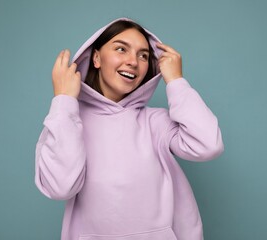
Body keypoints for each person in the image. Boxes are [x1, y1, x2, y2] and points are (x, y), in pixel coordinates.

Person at [35, 18, 224, 240]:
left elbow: (208, 145)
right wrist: (64, 101)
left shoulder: (156, 122)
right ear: (96, 57)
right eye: (121, 49)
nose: (133, 61)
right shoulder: (67, 122)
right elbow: (60, 187)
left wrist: (176, 81)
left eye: (143, 55)